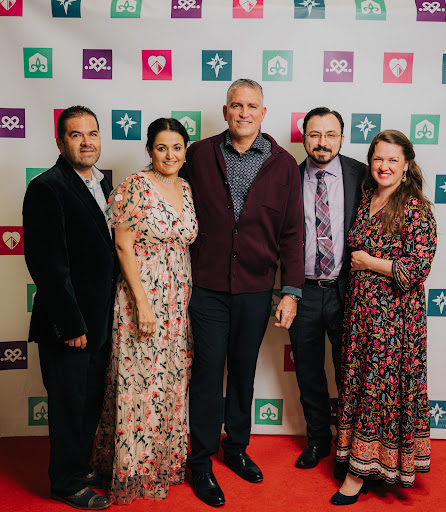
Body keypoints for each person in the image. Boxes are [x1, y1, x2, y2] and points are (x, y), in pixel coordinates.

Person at [182, 78, 304, 507]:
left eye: (252, 106)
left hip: (256, 288)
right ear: (225, 110)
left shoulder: (284, 165)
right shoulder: (199, 154)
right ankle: (200, 460)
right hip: (207, 287)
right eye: (237, 105)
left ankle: (235, 446)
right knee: (207, 372)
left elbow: (292, 233)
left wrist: (290, 291)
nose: (244, 113)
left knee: (243, 372)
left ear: (263, 113)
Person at [93, 118, 198, 504]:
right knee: (139, 383)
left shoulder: (185, 187)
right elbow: (122, 245)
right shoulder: (135, 186)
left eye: (177, 147)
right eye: (161, 147)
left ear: (185, 151)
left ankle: (160, 463)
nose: (170, 155)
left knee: (168, 381)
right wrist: (141, 304)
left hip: (177, 303)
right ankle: (131, 468)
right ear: (149, 150)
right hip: (143, 299)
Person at [331, 130, 437, 505]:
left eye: (393, 160)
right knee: (361, 386)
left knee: (381, 390)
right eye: (378, 158)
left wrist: (368, 262)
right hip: (361, 316)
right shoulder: (366, 198)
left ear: (407, 165)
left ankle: (358, 474)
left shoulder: (415, 208)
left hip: (394, 320)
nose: (384, 166)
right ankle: (363, 459)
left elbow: (416, 269)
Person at [23, 106, 116, 510]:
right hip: (69, 324)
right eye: (76, 135)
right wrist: (71, 323)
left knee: (89, 403)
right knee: (68, 406)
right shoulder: (47, 187)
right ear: (60, 142)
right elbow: (48, 265)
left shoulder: (103, 183)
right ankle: (65, 482)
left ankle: (79, 467)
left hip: (100, 320)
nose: (86, 142)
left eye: (92, 133)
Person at [288, 107, 365, 469]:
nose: (322, 142)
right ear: (304, 137)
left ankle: (350, 447)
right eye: (315, 134)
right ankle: (318, 440)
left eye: (330, 134)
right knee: (308, 372)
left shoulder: (361, 175)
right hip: (302, 291)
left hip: (346, 290)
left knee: (349, 371)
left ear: (342, 138)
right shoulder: (288, 177)